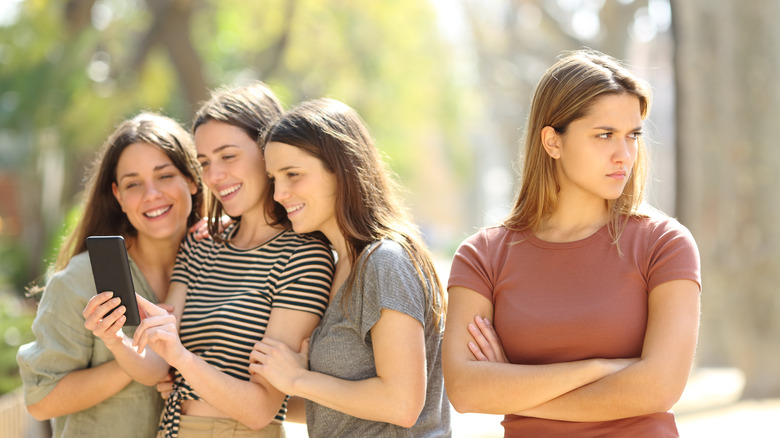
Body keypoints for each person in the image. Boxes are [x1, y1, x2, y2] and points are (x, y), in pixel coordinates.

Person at [443, 49, 701, 437]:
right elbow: (464, 391)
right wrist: (599, 368)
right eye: (604, 135)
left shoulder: (664, 244)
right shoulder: (483, 257)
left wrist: (511, 387)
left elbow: (660, 388)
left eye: (632, 136)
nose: (624, 154)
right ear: (552, 142)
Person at [83, 83, 335, 438]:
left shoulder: (304, 256)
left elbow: (261, 409)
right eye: (204, 163)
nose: (214, 177)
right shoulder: (201, 244)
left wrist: (183, 359)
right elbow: (158, 365)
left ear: (269, 152)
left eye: (228, 156)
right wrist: (115, 340)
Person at [250, 98, 451, 437]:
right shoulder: (338, 266)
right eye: (273, 179)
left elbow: (402, 404)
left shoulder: (386, 261)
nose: (280, 193)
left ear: (341, 169)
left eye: (293, 175)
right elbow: (336, 410)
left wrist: (299, 378)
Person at [16, 112, 203, 437]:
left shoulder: (221, 265)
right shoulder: (80, 281)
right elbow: (41, 401)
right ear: (118, 196)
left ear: (191, 178)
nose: (151, 194)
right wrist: (143, 361)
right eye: (133, 184)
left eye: (164, 175)